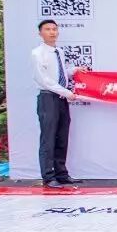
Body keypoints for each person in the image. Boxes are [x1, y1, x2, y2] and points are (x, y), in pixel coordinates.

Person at [30, 19, 81, 189]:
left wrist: (74, 71)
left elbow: (60, 73)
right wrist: (67, 93)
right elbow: (44, 80)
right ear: (40, 33)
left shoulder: (59, 51)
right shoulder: (37, 53)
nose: (52, 32)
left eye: (54, 29)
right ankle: (48, 176)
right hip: (48, 98)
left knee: (62, 137)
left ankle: (62, 174)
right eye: (47, 29)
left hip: (61, 99)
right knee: (48, 138)